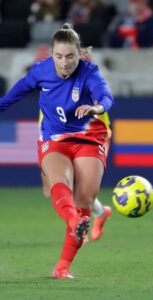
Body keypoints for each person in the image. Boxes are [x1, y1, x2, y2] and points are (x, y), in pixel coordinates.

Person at [0, 23, 114, 279]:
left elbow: (106, 96)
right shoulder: (41, 71)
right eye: (59, 56)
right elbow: (9, 99)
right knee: (56, 182)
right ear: (51, 54)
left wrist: (97, 108)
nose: (64, 63)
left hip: (89, 136)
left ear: (79, 54)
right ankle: (76, 222)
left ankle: (62, 267)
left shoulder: (89, 72)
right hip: (54, 137)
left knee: (83, 198)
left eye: (70, 56)